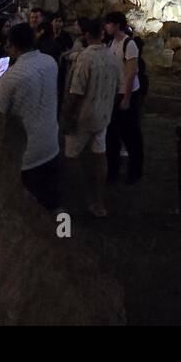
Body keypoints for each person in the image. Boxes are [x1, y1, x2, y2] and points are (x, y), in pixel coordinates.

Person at [0, 23, 60, 210]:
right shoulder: (50, 62)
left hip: (27, 154)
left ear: (11, 46)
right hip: (51, 144)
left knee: (28, 209)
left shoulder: (10, 78)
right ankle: (59, 234)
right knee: (50, 202)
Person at [59, 17, 119, 218]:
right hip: (103, 115)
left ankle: (81, 198)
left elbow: (76, 92)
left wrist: (66, 116)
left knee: (71, 157)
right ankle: (99, 202)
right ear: (102, 34)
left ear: (85, 35)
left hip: (82, 117)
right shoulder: (112, 56)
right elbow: (118, 86)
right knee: (100, 155)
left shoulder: (85, 58)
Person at [103, 11, 145, 185]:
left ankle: (135, 170)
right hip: (114, 92)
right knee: (112, 133)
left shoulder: (130, 44)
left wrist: (126, 97)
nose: (106, 27)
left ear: (117, 24)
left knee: (130, 133)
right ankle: (112, 169)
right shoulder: (112, 43)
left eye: (108, 23)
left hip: (128, 93)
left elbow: (131, 73)